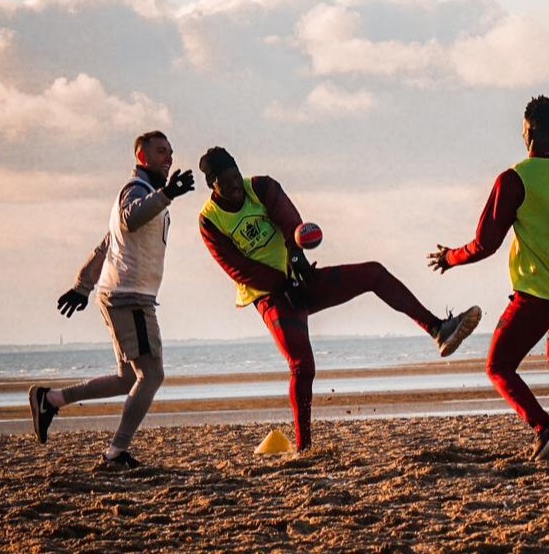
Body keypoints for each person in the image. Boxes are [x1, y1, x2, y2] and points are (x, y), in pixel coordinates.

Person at [197, 147, 481, 453]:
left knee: (374, 273)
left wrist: (296, 256)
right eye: (227, 182)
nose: (236, 185)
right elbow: (237, 268)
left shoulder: (261, 187)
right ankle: (304, 448)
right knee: (302, 366)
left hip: (299, 276)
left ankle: (438, 328)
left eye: (237, 176)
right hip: (269, 295)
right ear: (213, 185)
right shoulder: (209, 221)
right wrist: (282, 284)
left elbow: (290, 221)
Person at [428, 95, 549, 462]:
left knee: (498, 365)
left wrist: (450, 257)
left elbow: (485, 243)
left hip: (537, 292)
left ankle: (544, 427)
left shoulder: (514, 178)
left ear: (527, 129)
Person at [30, 130, 195, 470]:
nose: (168, 158)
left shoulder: (147, 193)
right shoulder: (137, 191)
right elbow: (128, 220)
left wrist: (82, 284)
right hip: (128, 296)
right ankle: (115, 453)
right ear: (141, 157)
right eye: (161, 151)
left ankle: (51, 399)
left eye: (171, 152)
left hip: (123, 294)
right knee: (151, 375)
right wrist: (167, 194)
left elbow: (109, 244)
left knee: (127, 379)